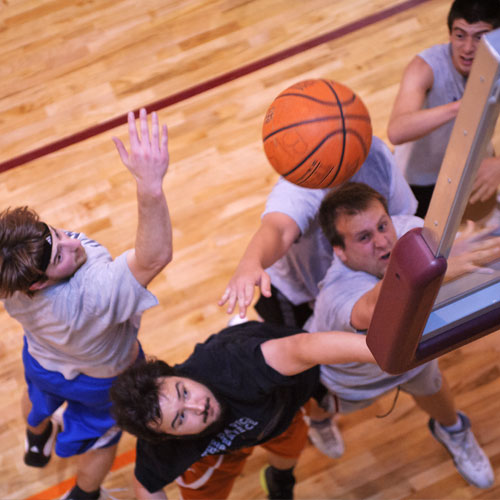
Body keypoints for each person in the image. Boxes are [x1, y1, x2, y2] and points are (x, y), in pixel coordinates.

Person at [0, 108, 172, 499]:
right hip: (104, 380)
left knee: (37, 395)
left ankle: (35, 439)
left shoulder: (9, 280)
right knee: (103, 439)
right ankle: (84, 495)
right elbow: (153, 257)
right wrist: (150, 187)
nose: (72, 245)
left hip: (43, 361)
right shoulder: (92, 294)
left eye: (58, 235)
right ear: (38, 283)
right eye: (60, 256)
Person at [305, 181, 500, 489]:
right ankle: (317, 423)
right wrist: (431, 266)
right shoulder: (336, 291)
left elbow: (451, 248)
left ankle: (453, 431)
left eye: (383, 226)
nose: (383, 242)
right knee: (318, 405)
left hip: (409, 359)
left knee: (435, 390)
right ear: (340, 251)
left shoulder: (409, 231)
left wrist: (454, 245)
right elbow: (373, 307)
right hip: (351, 380)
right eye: (364, 237)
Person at [110, 320, 375, 500]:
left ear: (177, 373)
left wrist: (384, 353)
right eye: (181, 417)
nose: (198, 406)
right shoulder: (160, 442)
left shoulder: (236, 365)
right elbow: (145, 485)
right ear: (167, 436)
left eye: (184, 392)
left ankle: (281, 481)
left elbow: (304, 347)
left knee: (289, 450)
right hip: (222, 444)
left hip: (280, 406)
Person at [388, 0, 500, 219]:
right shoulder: (425, 66)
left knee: (479, 236)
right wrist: (462, 107)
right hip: (419, 180)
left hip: (471, 168)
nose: (468, 48)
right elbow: (396, 130)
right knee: (428, 248)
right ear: (450, 34)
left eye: (480, 37)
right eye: (460, 35)